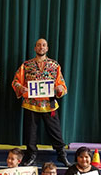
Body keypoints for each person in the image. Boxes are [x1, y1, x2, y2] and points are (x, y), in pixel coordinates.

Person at [11, 38, 71, 167]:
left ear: (47, 48)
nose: (41, 47)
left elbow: (61, 84)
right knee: (30, 132)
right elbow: (16, 81)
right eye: (38, 45)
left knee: (55, 131)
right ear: (35, 48)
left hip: (49, 104)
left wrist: (59, 89)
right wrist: (21, 88)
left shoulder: (54, 65)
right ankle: (31, 155)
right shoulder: (26, 65)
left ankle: (61, 154)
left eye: (43, 45)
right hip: (31, 104)